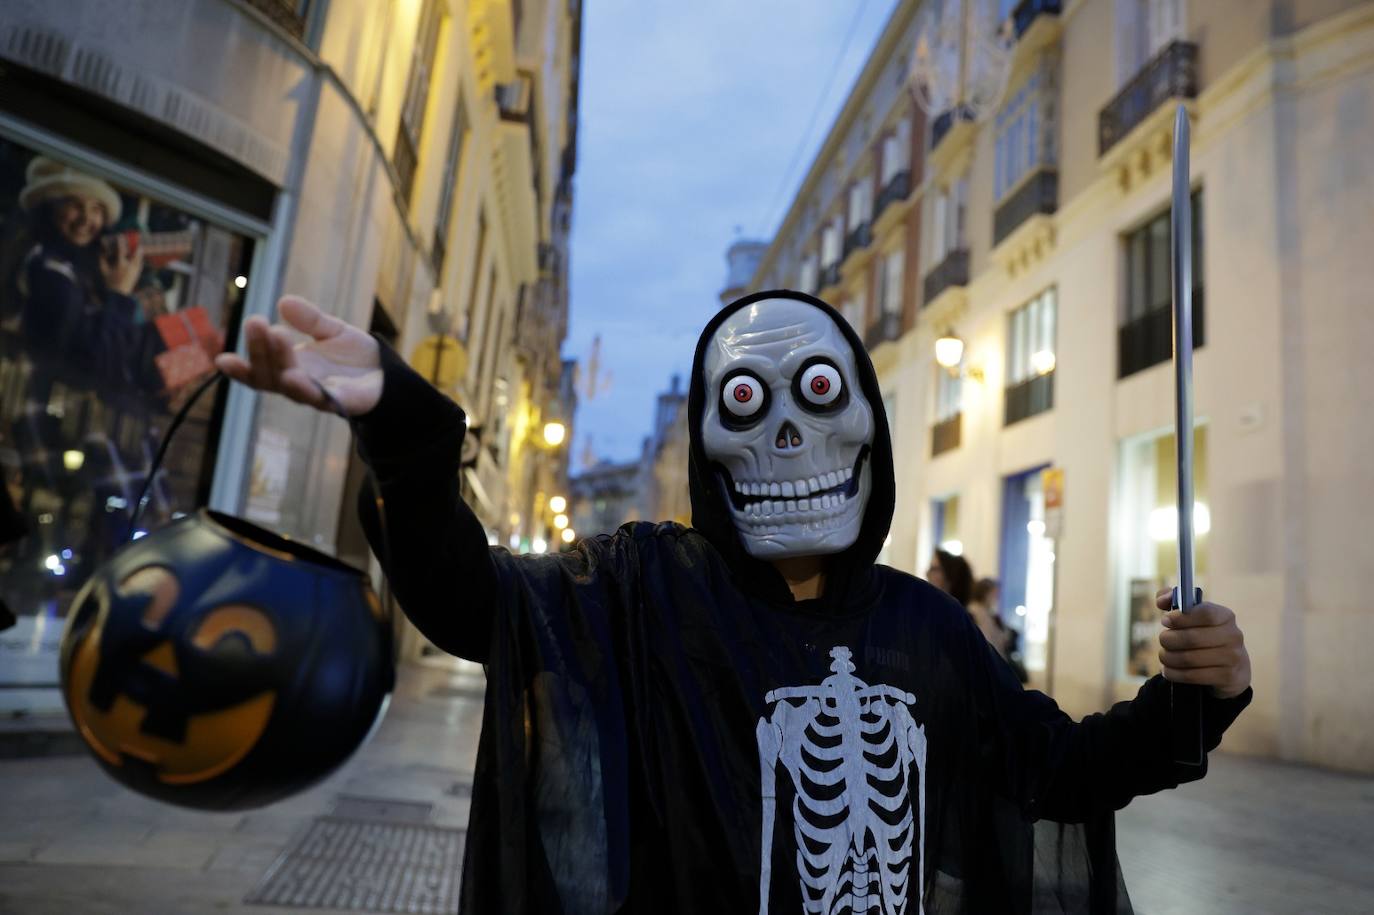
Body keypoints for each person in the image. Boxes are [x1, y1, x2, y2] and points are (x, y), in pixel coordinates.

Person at [217, 291, 1253, 914]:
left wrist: (1191, 702)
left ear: (868, 428)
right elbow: (467, 601)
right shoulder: (638, 585)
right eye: (746, 406)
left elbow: (1064, 770)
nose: (786, 441)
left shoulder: (926, 631)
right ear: (709, 447)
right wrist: (406, 430)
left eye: (818, 396)